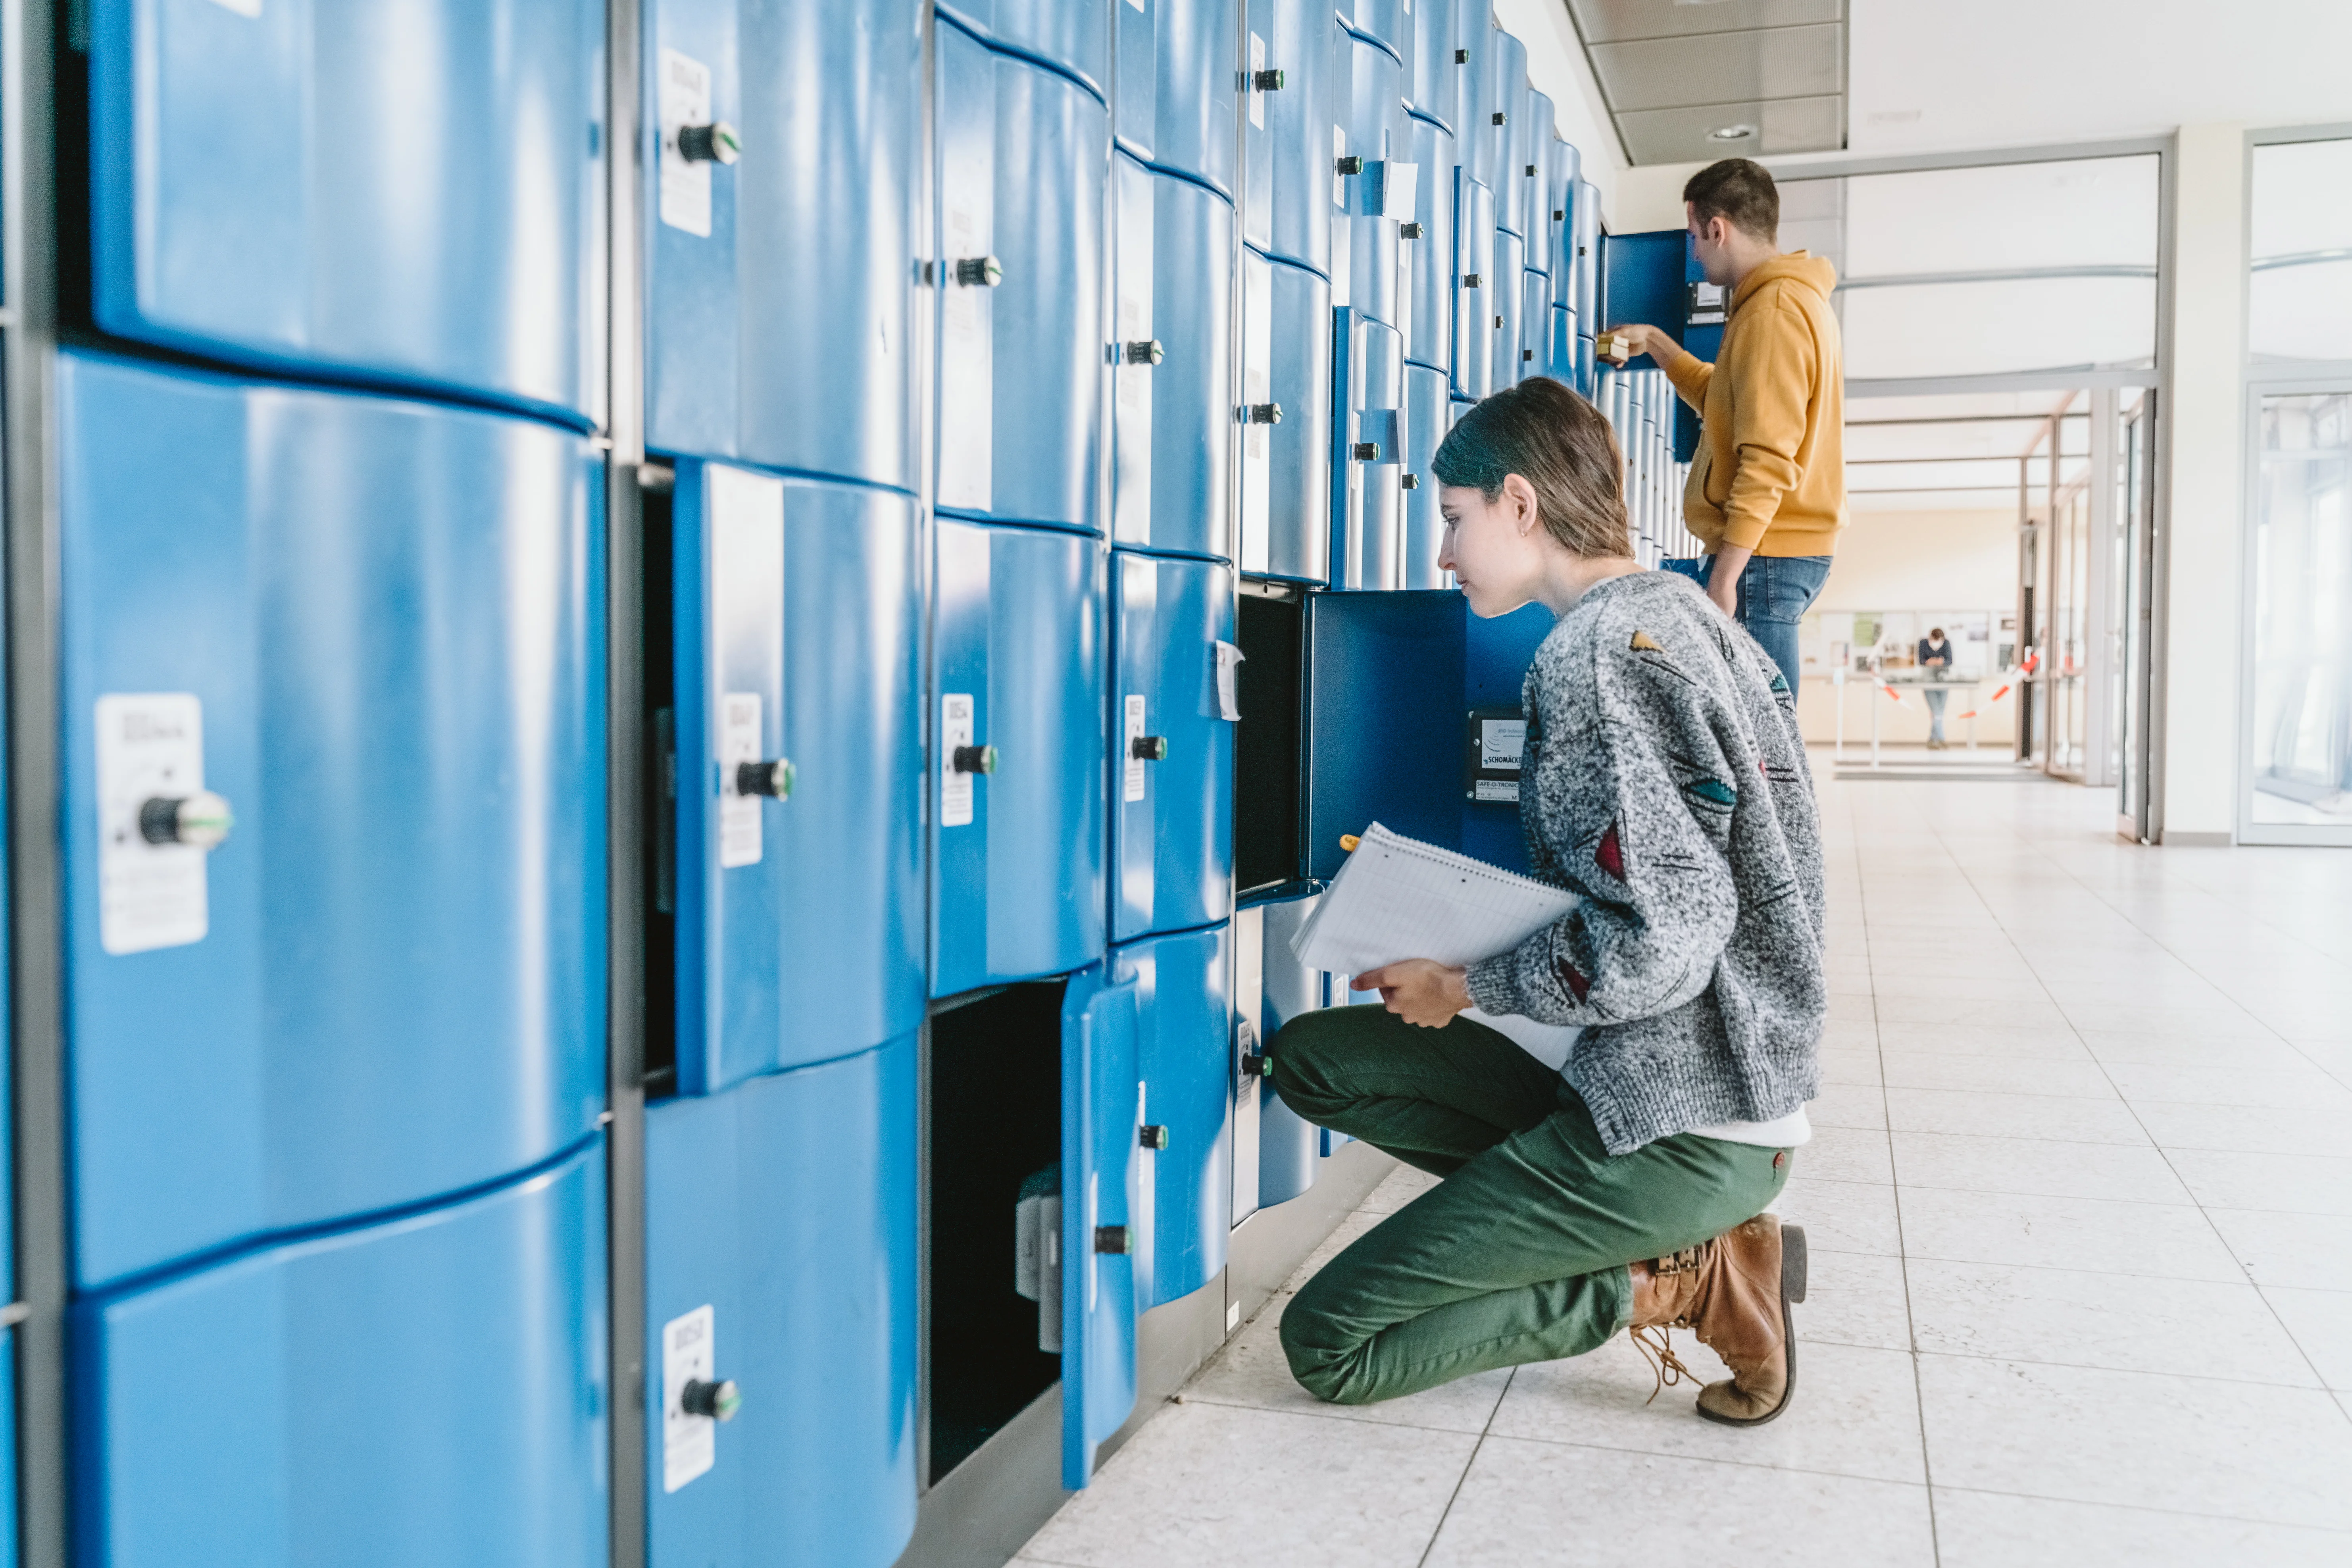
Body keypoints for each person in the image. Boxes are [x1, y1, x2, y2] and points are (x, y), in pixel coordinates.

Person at [1266, 378, 1824, 1427]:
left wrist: (1465, 981)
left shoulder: (1597, 657)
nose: (1443, 555)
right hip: (1668, 1072)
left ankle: (1676, 1278)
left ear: (1517, 503)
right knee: (1312, 1057)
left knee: (1329, 1344)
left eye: (1451, 519)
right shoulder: (1686, 619)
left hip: (1681, 1118)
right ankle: (1648, 1228)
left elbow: (1663, 937)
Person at [1602, 158, 1846, 695]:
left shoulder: (1774, 311)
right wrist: (1661, 347)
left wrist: (1724, 577)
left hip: (1765, 553)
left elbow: (1766, 457)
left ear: (1718, 228)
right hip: (1771, 551)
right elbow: (1727, 401)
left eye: (1693, 236)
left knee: (1759, 737)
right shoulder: (1781, 302)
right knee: (1757, 733)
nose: (1692, 251)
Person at [1918, 626, 1954, 748]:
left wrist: (1936, 662)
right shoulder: (1923, 643)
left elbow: (1949, 661)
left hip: (1943, 682)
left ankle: (1932, 740)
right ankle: (1942, 739)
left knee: (1940, 712)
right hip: (1929, 682)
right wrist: (1936, 661)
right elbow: (1922, 661)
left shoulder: (1946, 644)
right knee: (1936, 711)